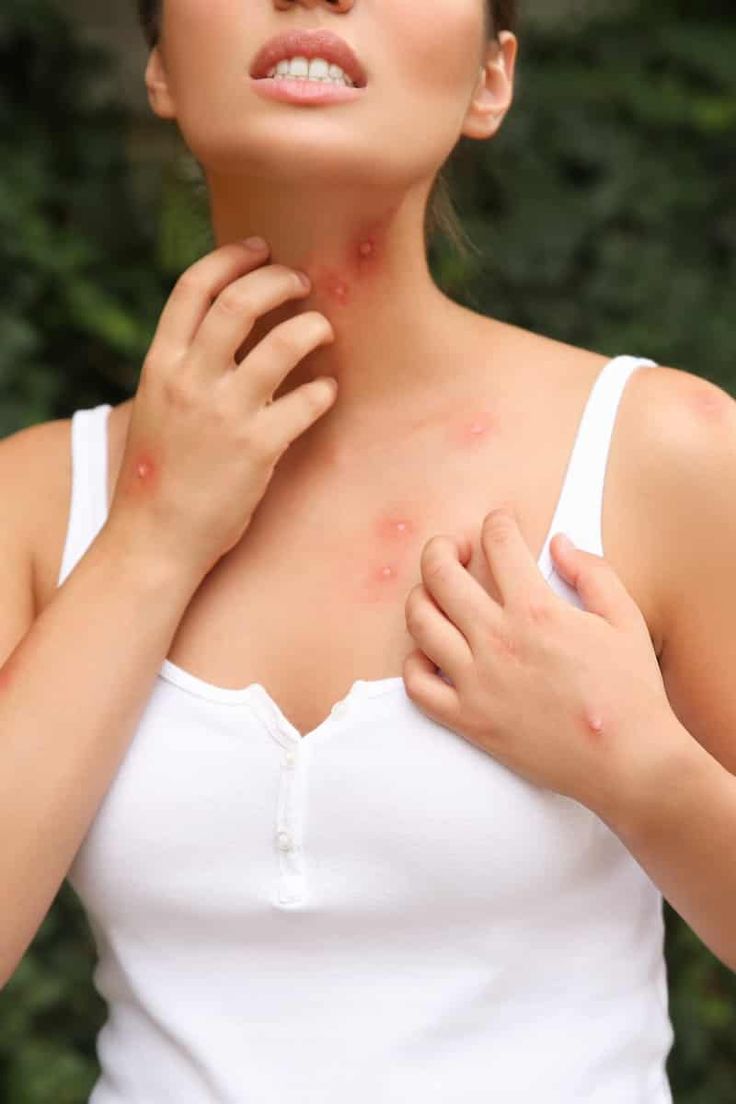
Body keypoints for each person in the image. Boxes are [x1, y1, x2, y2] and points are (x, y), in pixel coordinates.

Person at [2, 1, 736, 1100]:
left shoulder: (665, 454)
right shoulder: (33, 499)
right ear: (158, 64)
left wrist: (637, 771)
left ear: (492, 80)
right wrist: (154, 536)